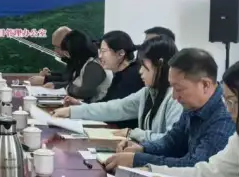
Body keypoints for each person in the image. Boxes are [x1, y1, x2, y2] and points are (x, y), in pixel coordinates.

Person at [105, 48, 234, 171]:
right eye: (172, 88)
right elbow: (171, 142)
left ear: (205, 85)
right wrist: (142, 148)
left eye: (179, 89)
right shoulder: (193, 106)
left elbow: (194, 166)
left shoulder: (224, 117)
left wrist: (137, 159)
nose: (174, 96)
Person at [53, 37, 182, 146]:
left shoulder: (176, 98)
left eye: (144, 67)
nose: (140, 71)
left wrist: (133, 134)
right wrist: (72, 111)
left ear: (160, 65)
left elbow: (171, 141)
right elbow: (116, 107)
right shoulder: (148, 92)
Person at [58, 29, 109, 102]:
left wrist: (69, 88)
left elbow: (86, 92)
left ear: (75, 52)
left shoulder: (94, 65)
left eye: (67, 53)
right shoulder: (87, 62)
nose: (67, 57)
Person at [97, 30, 144, 107]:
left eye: (103, 51)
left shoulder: (132, 76)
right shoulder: (121, 74)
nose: (100, 56)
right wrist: (81, 106)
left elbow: (115, 108)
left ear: (120, 53)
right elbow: (107, 102)